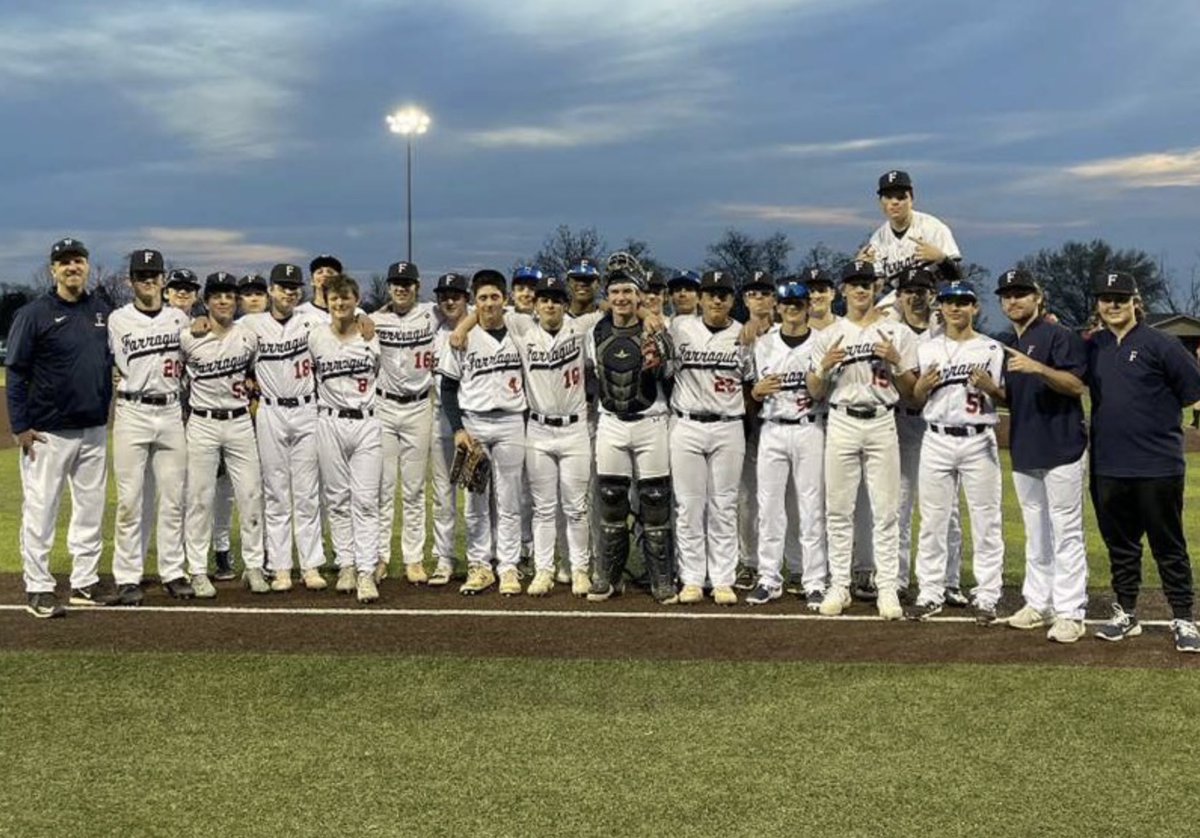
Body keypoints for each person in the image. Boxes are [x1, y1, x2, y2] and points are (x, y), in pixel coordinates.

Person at [1087, 272, 1200, 652]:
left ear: (1136, 301)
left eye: (1120, 298)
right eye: (1106, 298)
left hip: (1158, 465)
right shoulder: (1094, 346)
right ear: (1098, 304)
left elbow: (1192, 392)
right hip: (1108, 464)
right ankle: (1126, 613)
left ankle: (1184, 617)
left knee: (1168, 545)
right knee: (1121, 545)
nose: (1113, 305)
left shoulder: (1162, 344)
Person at [807, 260, 918, 621]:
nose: (860, 290)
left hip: (882, 420)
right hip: (841, 420)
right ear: (843, 290)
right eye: (854, 284)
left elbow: (913, 393)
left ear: (875, 287)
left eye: (866, 284)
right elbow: (814, 391)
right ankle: (839, 584)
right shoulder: (829, 333)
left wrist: (898, 363)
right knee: (838, 509)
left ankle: (887, 586)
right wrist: (823, 367)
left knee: (886, 510)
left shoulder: (896, 333)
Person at [9, 238, 113, 618]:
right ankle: (38, 587)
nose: (72, 267)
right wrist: (20, 426)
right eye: (64, 262)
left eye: (79, 260)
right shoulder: (33, 314)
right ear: (53, 269)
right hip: (48, 433)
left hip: (93, 429)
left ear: (87, 266)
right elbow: (16, 372)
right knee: (41, 510)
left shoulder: (102, 312)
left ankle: (84, 582)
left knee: (90, 510)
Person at [995, 268, 1090, 639]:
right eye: (1007, 295)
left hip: (1062, 446)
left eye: (1021, 293)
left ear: (1038, 298)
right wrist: (990, 388)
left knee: (1066, 531)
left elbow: (1076, 385)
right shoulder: (1007, 343)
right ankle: (1039, 602)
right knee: (1036, 532)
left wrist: (1037, 367)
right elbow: (1015, 398)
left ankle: (1071, 611)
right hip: (1025, 447)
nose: (1013, 299)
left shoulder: (1058, 336)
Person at [906, 282, 1006, 622]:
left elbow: (1007, 396)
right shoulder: (927, 349)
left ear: (975, 307)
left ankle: (988, 594)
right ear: (941, 307)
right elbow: (917, 398)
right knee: (933, 520)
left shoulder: (992, 348)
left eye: (962, 302)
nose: (955, 308)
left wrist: (993, 389)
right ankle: (930, 591)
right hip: (936, 437)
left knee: (986, 521)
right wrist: (920, 387)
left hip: (979, 438)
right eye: (949, 302)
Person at [585, 262, 676, 604]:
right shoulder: (593, 331)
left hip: (651, 420)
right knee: (611, 500)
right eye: (615, 293)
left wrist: (661, 344)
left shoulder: (657, 331)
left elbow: (670, 375)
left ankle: (662, 579)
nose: (621, 298)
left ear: (638, 296)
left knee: (655, 501)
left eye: (628, 292)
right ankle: (608, 577)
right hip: (611, 422)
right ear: (606, 297)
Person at [108, 248, 191, 605]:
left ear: (162, 279)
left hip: (171, 412)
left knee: (173, 498)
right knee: (129, 500)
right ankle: (128, 576)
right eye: (141, 276)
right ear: (131, 281)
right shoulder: (117, 319)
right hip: (132, 412)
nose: (148, 281)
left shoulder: (181, 319)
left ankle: (173, 571)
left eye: (153, 275)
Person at [239, 263, 328, 591]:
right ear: (271, 291)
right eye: (282, 286)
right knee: (276, 493)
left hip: (307, 410)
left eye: (294, 286)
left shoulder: (314, 319)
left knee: (307, 493)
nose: (289, 291)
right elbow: (220, 338)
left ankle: (311, 565)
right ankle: (280, 568)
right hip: (270, 412)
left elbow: (350, 324)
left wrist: (363, 320)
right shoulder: (250, 324)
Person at [439, 269, 528, 596]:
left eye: (494, 297)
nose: (489, 304)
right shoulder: (461, 339)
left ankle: (507, 567)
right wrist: (459, 428)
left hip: (510, 422)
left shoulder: (520, 329)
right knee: (475, 500)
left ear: (504, 300)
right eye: (482, 298)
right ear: (474, 303)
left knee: (509, 500)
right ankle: (479, 565)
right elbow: (448, 388)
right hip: (475, 423)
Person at [178, 272, 268, 598]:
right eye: (217, 295)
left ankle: (254, 566)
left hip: (240, 420)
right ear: (206, 301)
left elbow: (256, 374)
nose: (224, 301)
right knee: (199, 499)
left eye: (229, 295)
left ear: (236, 300)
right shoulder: (187, 337)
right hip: (201, 423)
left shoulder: (248, 335)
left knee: (251, 494)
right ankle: (198, 570)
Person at [507, 275, 598, 596]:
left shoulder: (582, 330)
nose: (549, 304)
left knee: (576, 508)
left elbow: (623, 308)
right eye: (544, 299)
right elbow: (480, 309)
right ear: (535, 304)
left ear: (564, 304)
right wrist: (462, 328)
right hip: (538, 429)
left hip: (575, 428)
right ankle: (544, 569)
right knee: (544, 508)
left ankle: (579, 569)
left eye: (556, 300)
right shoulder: (522, 331)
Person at [669, 270, 753, 605]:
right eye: (710, 293)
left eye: (723, 294)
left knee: (723, 504)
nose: (717, 299)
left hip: (728, 425)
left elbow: (750, 383)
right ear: (700, 298)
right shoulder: (679, 327)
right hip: (686, 425)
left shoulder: (745, 336)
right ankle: (691, 578)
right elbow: (645, 311)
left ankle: (722, 578)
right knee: (689, 505)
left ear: (732, 300)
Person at [745, 280, 827, 608]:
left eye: (798, 303)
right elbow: (752, 391)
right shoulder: (762, 344)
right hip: (773, 429)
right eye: (787, 304)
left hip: (810, 428)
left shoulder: (822, 342)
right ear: (778, 308)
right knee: (768, 508)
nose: (792, 308)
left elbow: (826, 391)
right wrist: (755, 392)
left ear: (808, 306)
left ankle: (815, 580)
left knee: (811, 508)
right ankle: (768, 578)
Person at [308, 274, 383, 604]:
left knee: (366, 501)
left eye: (346, 299)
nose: (340, 304)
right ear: (325, 301)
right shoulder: (314, 337)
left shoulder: (371, 334)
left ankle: (367, 571)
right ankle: (347, 564)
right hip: (329, 422)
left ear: (357, 300)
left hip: (366, 423)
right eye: (334, 299)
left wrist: (365, 317)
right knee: (336, 500)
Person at [371, 260, 439, 586]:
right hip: (383, 406)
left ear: (417, 287)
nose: (401, 287)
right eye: (396, 283)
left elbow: (466, 312)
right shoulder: (373, 320)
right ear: (388, 287)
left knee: (414, 489)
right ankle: (379, 558)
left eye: (407, 283)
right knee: (382, 487)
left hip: (418, 407)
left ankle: (414, 559)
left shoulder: (432, 314)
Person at [427, 273, 471, 586]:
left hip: (475, 419)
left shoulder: (480, 325)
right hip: (440, 418)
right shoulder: (432, 327)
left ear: (466, 298)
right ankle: (444, 558)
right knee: (443, 495)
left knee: (477, 496)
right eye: (444, 295)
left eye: (456, 295)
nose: (450, 300)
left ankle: (482, 558)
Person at [735, 271, 777, 590]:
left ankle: (791, 563)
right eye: (752, 294)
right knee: (747, 498)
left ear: (774, 299)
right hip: (748, 426)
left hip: (783, 424)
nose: (758, 299)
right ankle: (749, 562)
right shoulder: (737, 335)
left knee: (785, 500)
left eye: (764, 293)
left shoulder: (789, 331)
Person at [860, 169, 961, 288]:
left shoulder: (934, 228)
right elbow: (878, 289)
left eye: (901, 197)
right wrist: (863, 270)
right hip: (899, 300)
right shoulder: (877, 240)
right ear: (880, 202)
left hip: (935, 298)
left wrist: (941, 258)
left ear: (911, 199)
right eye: (888, 197)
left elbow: (958, 278)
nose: (894, 202)